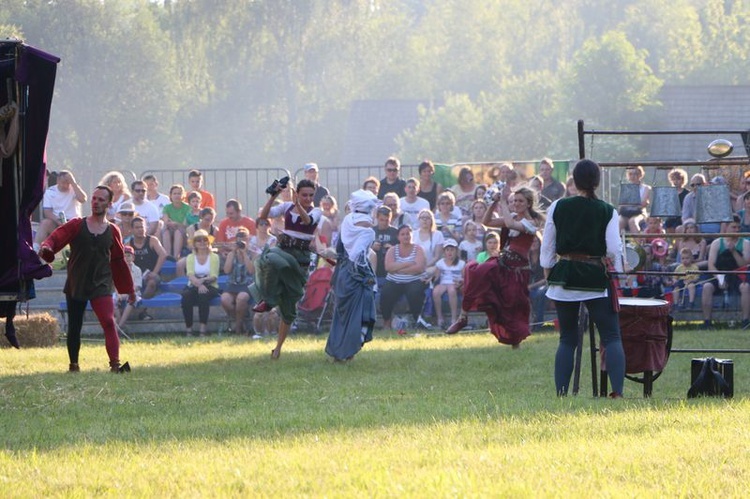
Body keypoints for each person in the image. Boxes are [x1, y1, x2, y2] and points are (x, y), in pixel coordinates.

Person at [540, 159, 625, 397]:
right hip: (594, 277)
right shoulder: (607, 210)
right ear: (596, 181)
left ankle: (561, 394)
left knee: (567, 338)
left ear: (574, 180)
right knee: (610, 336)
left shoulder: (558, 206)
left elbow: (547, 245)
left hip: (564, 275)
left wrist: (549, 271)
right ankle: (617, 392)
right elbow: (613, 250)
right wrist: (615, 270)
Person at [38, 185, 135, 373]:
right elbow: (56, 237)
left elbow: (118, 261)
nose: (96, 202)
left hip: (102, 283)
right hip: (77, 282)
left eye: (101, 199)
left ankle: (115, 364)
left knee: (108, 321)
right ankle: (73, 365)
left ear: (109, 203)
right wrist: (47, 247)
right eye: (94, 198)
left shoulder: (113, 230)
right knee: (75, 325)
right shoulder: (76, 224)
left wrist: (129, 289)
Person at [445, 187, 543, 349]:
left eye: (520, 201)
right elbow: (487, 222)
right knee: (473, 270)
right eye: (514, 200)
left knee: (512, 306)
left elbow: (511, 224)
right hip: (503, 265)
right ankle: (463, 317)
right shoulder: (511, 217)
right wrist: (494, 203)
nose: (516, 204)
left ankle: (515, 342)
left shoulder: (531, 223)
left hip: (518, 271)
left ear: (528, 204)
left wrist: (503, 201)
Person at [250, 178, 323, 359]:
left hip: (300, 260)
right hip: (283, 250)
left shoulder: (317, 211)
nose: (308, 198)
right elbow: (263, 216)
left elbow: (307, 222)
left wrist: (297, 203)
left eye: (311, 195)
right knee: (270, 259)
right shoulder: (287, 207)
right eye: (304, 195)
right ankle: (268, 299)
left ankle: (278, 348)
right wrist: (273, 196)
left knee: (289, 306)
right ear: (297, 193)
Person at [325, 189, 379, 361]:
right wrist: (368, 278)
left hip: (342, 272)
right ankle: (347, 352)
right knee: (356, 313)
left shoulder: (347, 220)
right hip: (356, 275)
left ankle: (338, 351)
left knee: (342, 314)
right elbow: (359, 257)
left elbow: (340, 250)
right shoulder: (369, 230)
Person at [700, 215, 750, 330]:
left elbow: (744, 264)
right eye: (734, 227)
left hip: (737, 275)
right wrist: (719, 278)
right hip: (719, 274)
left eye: (738, 227)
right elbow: (711, 264)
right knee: (707, 286)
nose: (737, 230)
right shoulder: (717, 243)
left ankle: (745, 321)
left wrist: (734, 252)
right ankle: (707, 322)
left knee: (746, 287)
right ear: (726, 227)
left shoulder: (746, 243)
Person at [380, 224, 427, 330]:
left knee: (415, 292)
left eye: (408, 234)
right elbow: (388, 267)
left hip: (414, 280)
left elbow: (419, 268)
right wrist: (409, 263)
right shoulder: (392, 250)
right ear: (398, 237)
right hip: (394, 281)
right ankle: (387, 322)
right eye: (403, 234)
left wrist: (398, 269)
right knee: (386, 294)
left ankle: (417, 320)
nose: (406, 236)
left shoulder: (418, 249)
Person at [34, 170, 87, 251]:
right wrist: (58, 221)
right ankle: (35, 249)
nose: (65, 185)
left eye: (67, 182)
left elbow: (83, 199)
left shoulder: (74, 190)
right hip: (57, 223)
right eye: (63, 182)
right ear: (58, 180)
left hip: (74, 224)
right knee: (45, 223)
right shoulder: (50, 192)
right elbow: (47, 212)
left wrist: (73, 183)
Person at [181, 229, 220, 337]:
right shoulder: (190, 257)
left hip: (210, 285)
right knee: (186, 297)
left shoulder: (214, 257)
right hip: (194, 284)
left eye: (204, 240)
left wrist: (202, 282)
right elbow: (190, 274)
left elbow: (213, 276)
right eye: (199, 240)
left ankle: (203, 329)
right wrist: (199, 284)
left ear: (208, 242)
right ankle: (189, 329)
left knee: (203, 295)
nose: (202, 242)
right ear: (194, 243)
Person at [129, 216, 168, 325]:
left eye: (142, 227)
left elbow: (163, 255)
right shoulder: (129, 244)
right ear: (132, 230)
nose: (140, 229)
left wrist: (154, 272)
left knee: (151, 283)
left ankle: (141, 309)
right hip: (136, 276)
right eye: (137, 227)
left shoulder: (152, 240)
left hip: (152, 274)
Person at [220, 228, 254, 336]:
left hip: (247, 284)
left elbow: (251, 271)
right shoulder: (231, 254)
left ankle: (238, 329)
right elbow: (226, 270)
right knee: (224, 300)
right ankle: (242, 322)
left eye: (244, 240)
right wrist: (233, 252)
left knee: (241, 298)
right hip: (232, 284)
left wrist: (244, 254)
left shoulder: (253, 254)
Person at [431, 239, 465, 329]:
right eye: (447, 250)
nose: (450, 252)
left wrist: (461, 281)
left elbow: (465, 277)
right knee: (435, 292)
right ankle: (440, 317)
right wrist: (431, 278)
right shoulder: (440, 263)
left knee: (451, 290)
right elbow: (437, 276)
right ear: (444, 252)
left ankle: (453, 319)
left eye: (452, 250)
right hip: (444, 283)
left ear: (456, 251)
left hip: (455, 283)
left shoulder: (461, 264)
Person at [113, 245, 142, 333]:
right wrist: (118, 294)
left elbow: (137, 286)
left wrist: (127, 293)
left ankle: (120, 326)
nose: (126, 258)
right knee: (112, 300)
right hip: (121, 292)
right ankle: (118, 319)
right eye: (124, 256)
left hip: (133, 292)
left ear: (133, 257)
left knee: (132, 299)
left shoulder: (137, 269)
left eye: (129, 256)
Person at [371, 205, 399, 289]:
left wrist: (392, 248)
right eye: (381, 220)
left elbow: (403, 251)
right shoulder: (371, 231)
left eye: (387, 220)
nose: (384, 223)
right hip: (375, 269)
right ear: (377, 218)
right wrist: (371, 247)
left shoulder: (396, 232)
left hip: (390, 272)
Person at [161, 184, 191, 259]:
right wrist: (174, 224)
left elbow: (185, 224)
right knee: (165, 232)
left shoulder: (188, 208)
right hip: (170, 229)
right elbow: (166, 221)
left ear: (183, 195)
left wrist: (175, 223)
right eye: (174, 193)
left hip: (183, 232)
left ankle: (175, 257)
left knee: (178, 231)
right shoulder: (167, 207)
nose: (177, 195)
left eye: (179, 193)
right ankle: (167, 257)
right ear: (170, 195)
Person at [618, 165, 651, 233]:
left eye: (635, 174)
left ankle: (639, 242)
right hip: (626, 213)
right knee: (618, 222)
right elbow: (621, 205)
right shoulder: (625, 188)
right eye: (630, 174)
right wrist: (635, 203)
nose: (633, 176)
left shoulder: (646, 188)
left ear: (640, 175)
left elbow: (643, 204)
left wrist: (629, 203)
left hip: (639, 213)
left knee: (632, 222)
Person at [664, 168, 689, 232]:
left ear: (682, 180)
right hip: (671, 217)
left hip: (682, 217)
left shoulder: (687, 193)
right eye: (674, 179)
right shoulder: (669, 193)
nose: (676, 181)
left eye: (678, 179)